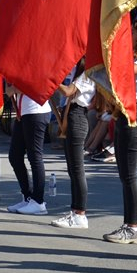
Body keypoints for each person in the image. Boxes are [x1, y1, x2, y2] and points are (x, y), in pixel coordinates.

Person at [102, 17, 137, 246]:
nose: (131, 37)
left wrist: (116, 49)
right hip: (124, 115)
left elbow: (125, 70)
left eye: (134, 33)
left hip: (136, 116)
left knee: (130, 176)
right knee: (125, 176)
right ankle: (129, 225)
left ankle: (133, 227)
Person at [51, 63, 95, 229]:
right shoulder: (77, 73)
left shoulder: (87, 74)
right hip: (70, 115)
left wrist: (51, 81)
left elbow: (68, 91)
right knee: (72, 168)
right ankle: (75, 211)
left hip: (77, 116)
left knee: (77, 169)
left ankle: (80, 213)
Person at [6, 89, 52, 216]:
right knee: (14, 156)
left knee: (35, 157)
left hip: (36, 111)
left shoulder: (39, 68)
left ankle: (38, 201)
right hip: (23, 112)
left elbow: (34, 84)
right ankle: (28, 197)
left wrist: (14, 88)